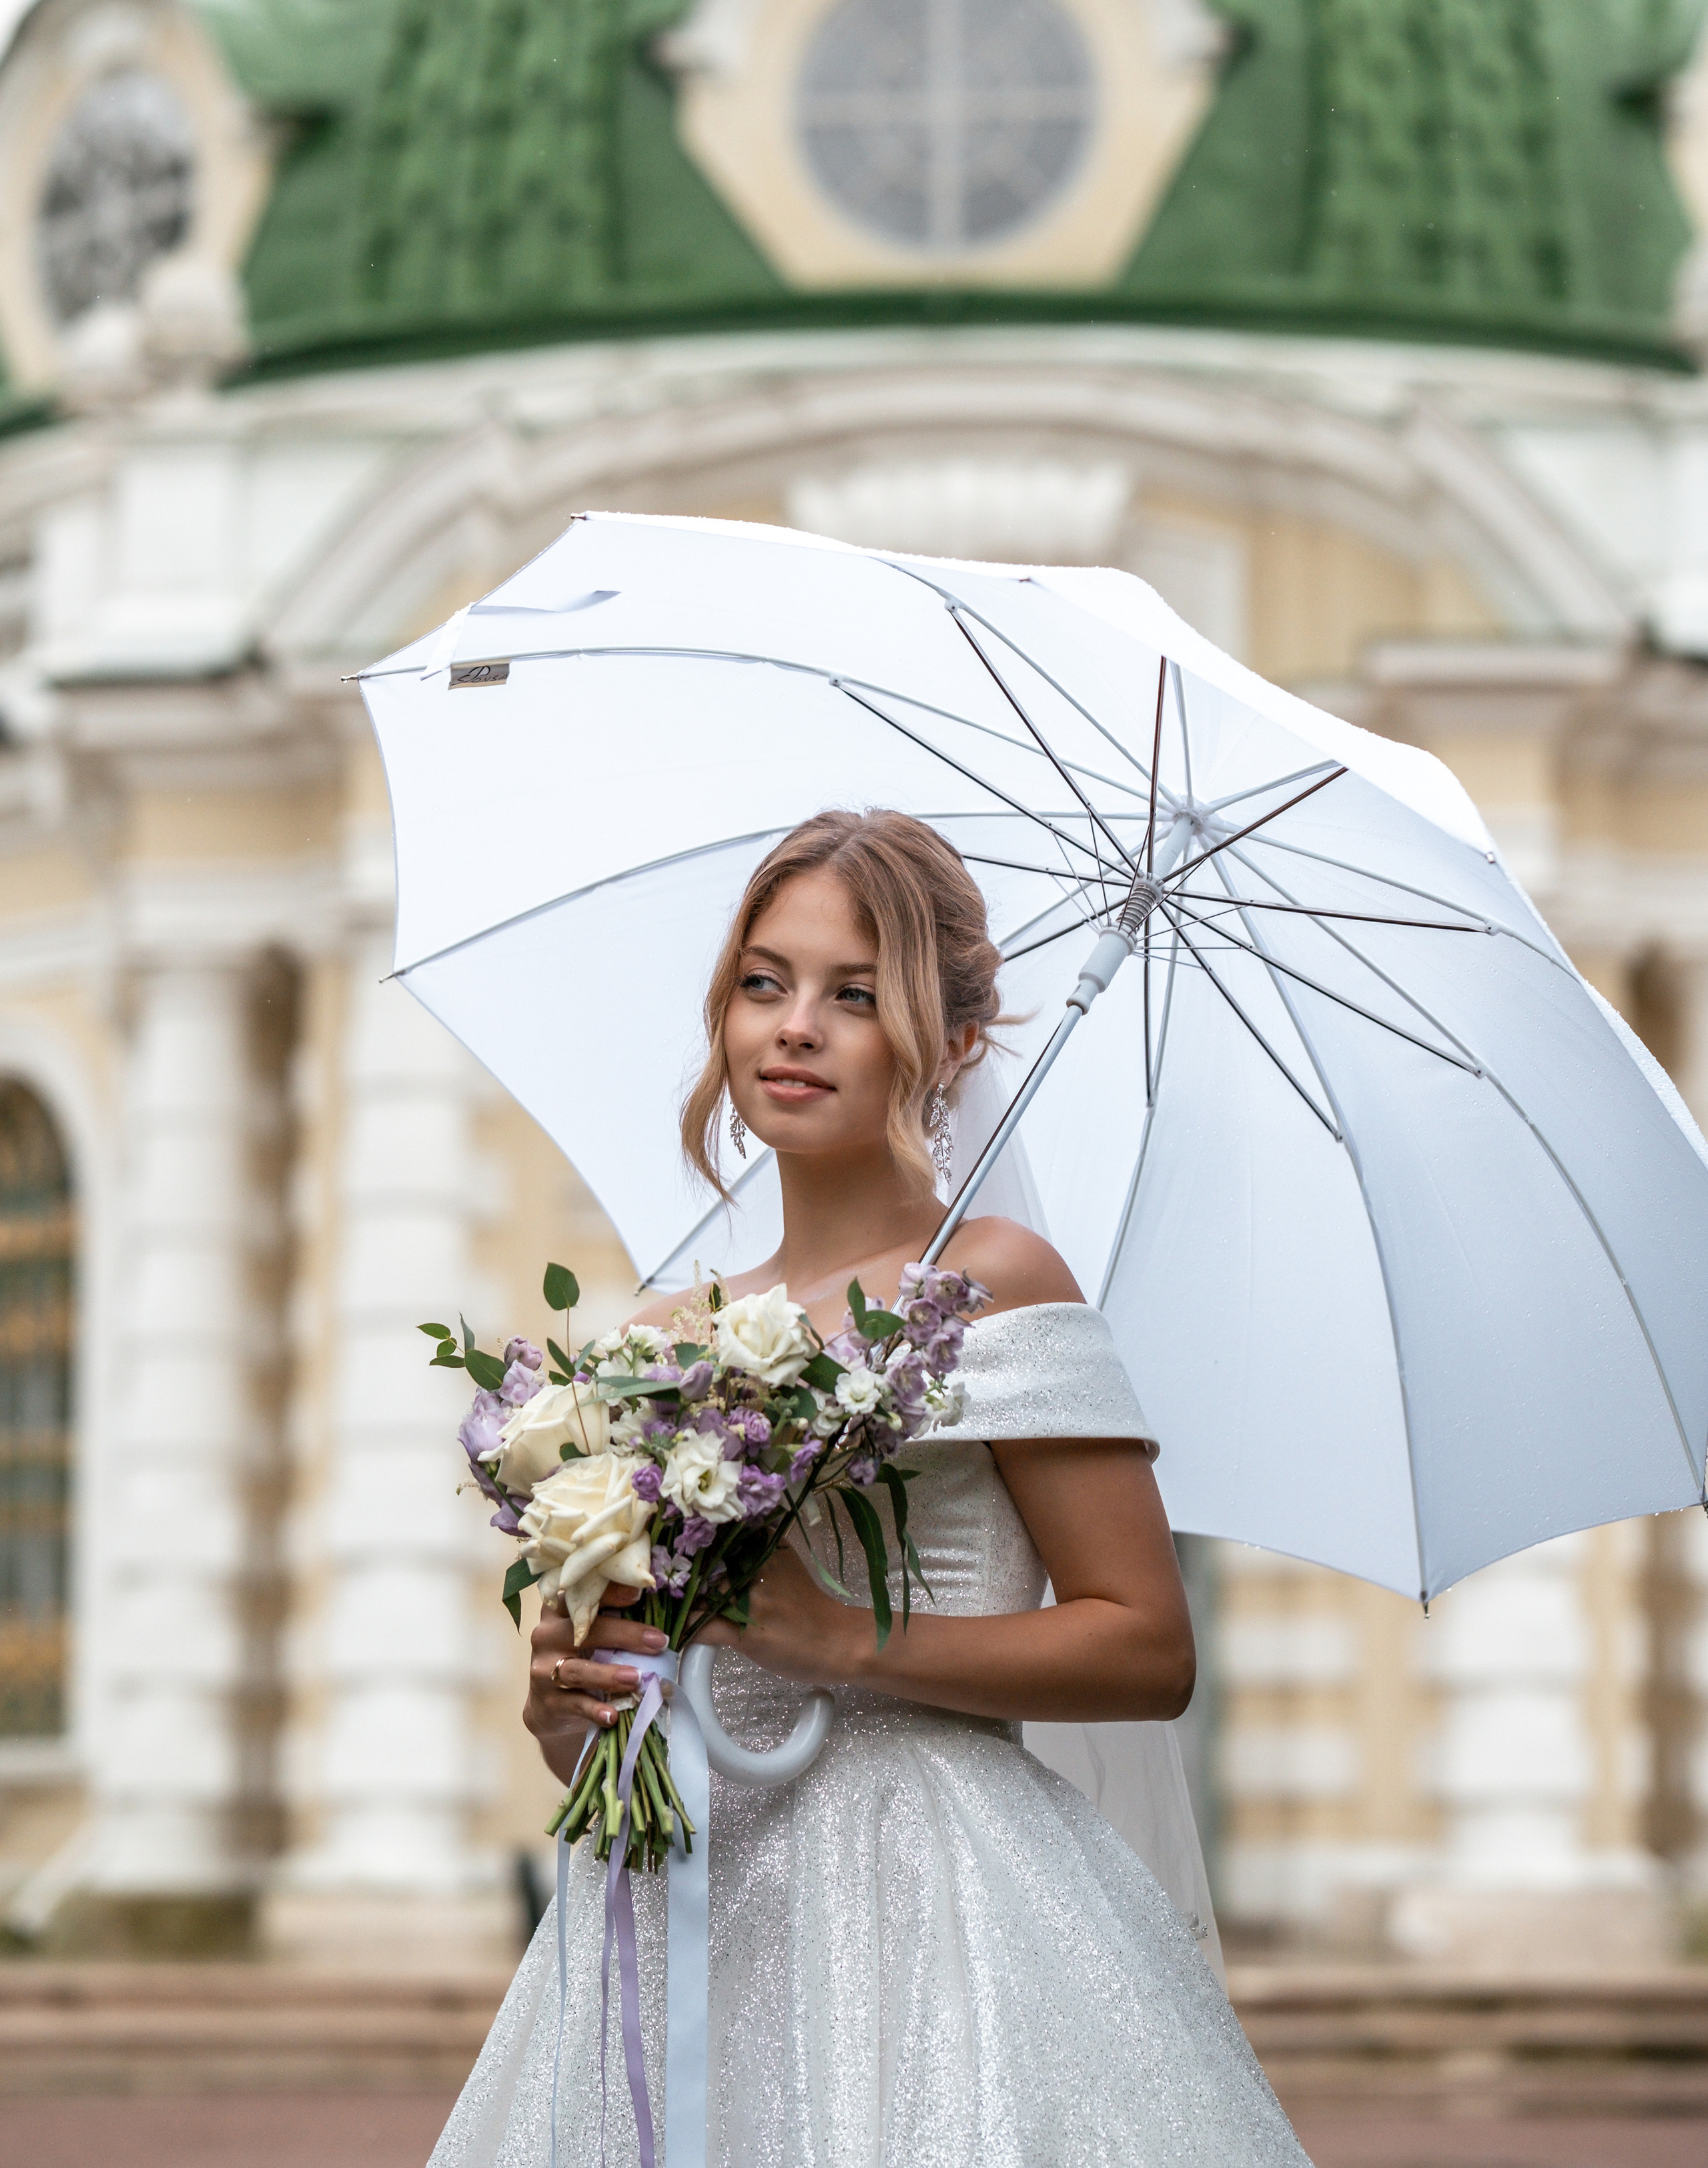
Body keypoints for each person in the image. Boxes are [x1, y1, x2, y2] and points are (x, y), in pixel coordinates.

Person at [430, 810, 1312, 2167]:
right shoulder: (658, 1338)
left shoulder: (991, 1285)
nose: (793, 1027)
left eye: (855, 996)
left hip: (936, 1895)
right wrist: (571, 1707)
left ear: (950, 1043)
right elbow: (628, 1725)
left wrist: (846, 1638)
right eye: (762, 982)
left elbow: (1146, 1644)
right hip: (682, 1902)